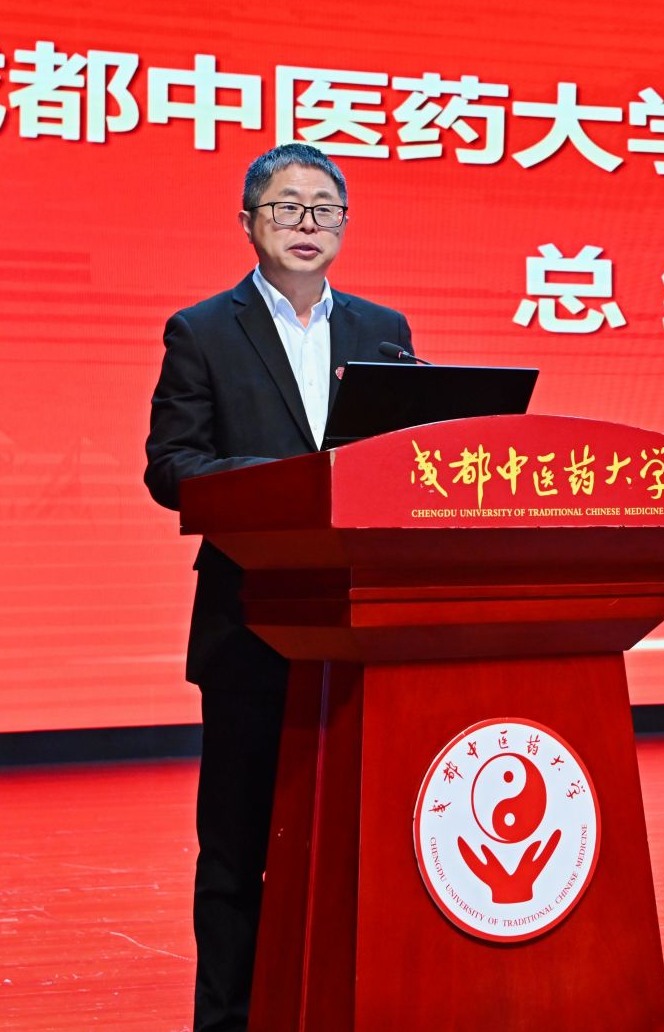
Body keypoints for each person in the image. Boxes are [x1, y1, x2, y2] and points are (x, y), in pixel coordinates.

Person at [143, 143, 414, 1032]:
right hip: (250, 620)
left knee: (358, 840)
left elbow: (404, 461)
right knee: (237, 847)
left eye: (325, 208)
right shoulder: (203, 331)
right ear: (249, 221)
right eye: (288, 206)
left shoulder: (383, 331)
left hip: (360, 622)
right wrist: (287, 484)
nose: (308, 224)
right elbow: (171, 466)